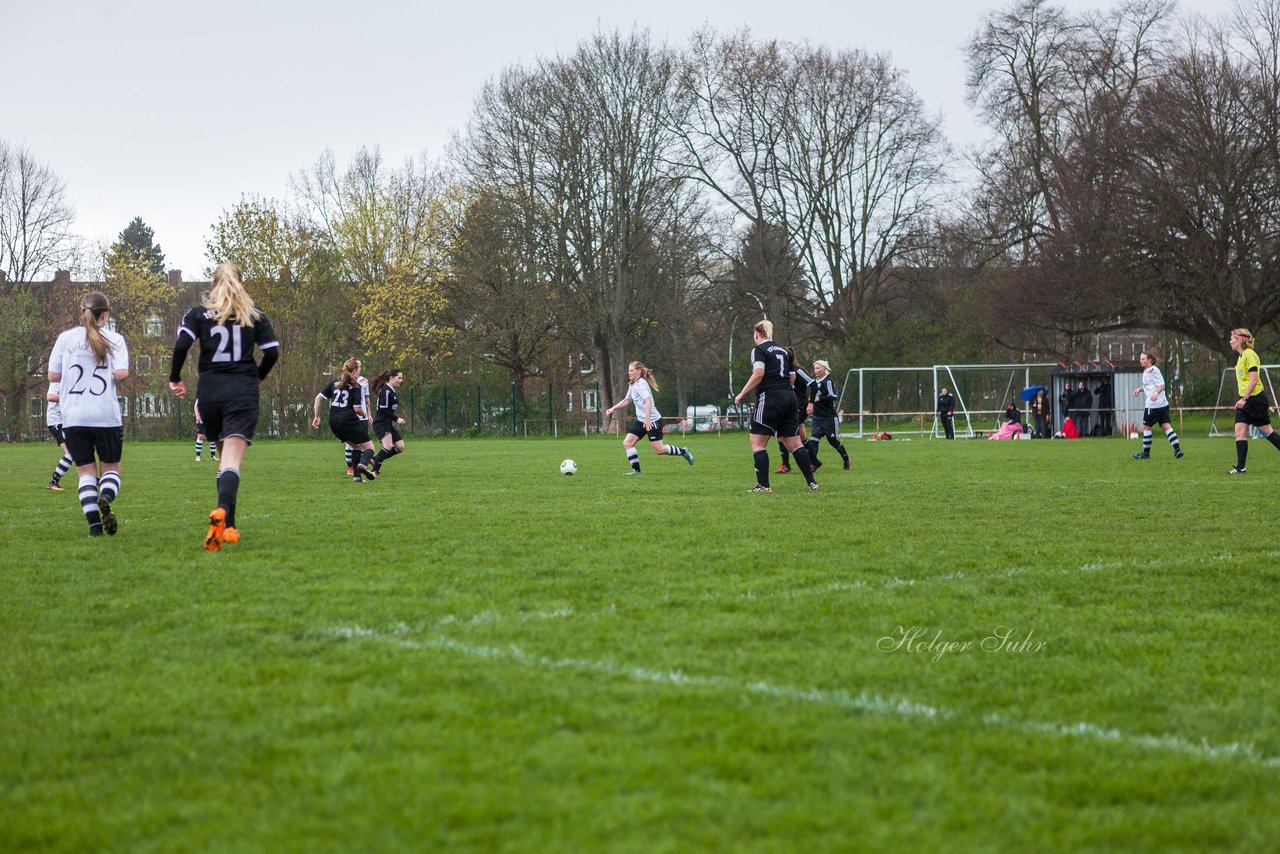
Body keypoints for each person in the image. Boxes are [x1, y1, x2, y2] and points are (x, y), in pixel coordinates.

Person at [170, 262, 280, 551]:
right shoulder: (253, 315)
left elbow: (181, 346)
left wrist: (174, 378)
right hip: (241, 391)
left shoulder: (197, 315)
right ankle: (222, 511)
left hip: (210, 393)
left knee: (222, 459)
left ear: (212, 284)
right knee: (231, 460)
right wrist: (257, 376)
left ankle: (229, 526)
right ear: (241, 284)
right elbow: (272, 352)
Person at [47, 292, 129, 537]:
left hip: (73, 416)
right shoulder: (115, 339)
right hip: (105, 414)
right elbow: (122, 373)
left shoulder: (65, 339)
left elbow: (53, 376)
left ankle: (94, 527)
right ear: (105, 314)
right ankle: (105, 496)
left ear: (82, 312)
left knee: (85, 472)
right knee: (111, 469)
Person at [733, 320, 818, 492]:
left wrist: (742, 393)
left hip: (770, 397)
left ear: (757, 333)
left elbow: (758, 373)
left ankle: (764, 486)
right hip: (790, 397)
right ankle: (812, 483)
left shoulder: (759, 350)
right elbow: (792, 378)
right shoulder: (784, 351)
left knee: (757, 443)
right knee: (795, 444)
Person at [603, 360, 694, 475]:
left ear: (639, 371)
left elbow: (648, 401)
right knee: (627, 443)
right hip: (641, 421)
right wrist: (613, 408)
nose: (628, 373)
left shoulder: (641, 384)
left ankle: (683, 452)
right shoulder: (632, 384)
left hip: (652, 421)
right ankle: (636, 471)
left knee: (659, 450)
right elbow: (627, 400)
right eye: (628, 370)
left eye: (631, 370)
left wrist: (647, 419)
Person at [314, 357, 378, 484]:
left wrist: (317, 416)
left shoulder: (334, 384)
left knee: (356, 446)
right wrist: (365, 414)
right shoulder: (356, 386)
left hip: (333, 421)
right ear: (354, 371)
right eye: (359, 369)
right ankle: (363, 466)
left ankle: (357, 477)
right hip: (348, 420)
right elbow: (357, 409)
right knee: (369, 448)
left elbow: (318, 399)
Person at [1226, 328, 1280, 473]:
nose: (1230, 341)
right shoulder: (1241, 356)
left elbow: (1254, 380)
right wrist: (1242, 399)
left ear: (1241, 340)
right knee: (1239, 432)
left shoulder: (1250, 355)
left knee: (1267, 432)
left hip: (1254, 399)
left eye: (1232, 338)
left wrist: (1244, 398)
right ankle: (1240, 467)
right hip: (1244, 400)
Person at [1131, 350, 1183, 461]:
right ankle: (1177, 450)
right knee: (1166, 426)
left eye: (1143, 359)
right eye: (1140, 359)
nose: (1141, 361)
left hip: (1153, 406)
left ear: (1149, 360)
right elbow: (1150, 386)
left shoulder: (1153, 370)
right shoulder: (1147, 371)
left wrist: (1155, 393)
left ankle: (1145, 453)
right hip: (1162, 404)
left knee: (1146, 427)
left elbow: (1161, 385)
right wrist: (1139, 389)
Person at [806, 359, 851, 469]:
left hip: (829, 417)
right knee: (813, 440)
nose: (815, 370)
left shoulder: (828, 381)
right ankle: (813, 464)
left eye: (818, 368)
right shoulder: (814, 382)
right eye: (815, 368)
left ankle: (846, 459)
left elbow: (833, 396)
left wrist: (819, 398)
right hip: (817, 417)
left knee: (832, 441)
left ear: (824, 369)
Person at [777, 351, 814, 472]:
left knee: (786, 434)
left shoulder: (798, 371)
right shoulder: (783, 372)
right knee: (798, 435)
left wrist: (811, 403)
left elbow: (813, 384)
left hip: (800, 407)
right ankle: (813, 461)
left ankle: (788, 464)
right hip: (789, 407)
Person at [369, 368, 407, 474]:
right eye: (399, 378)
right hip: (381, 423)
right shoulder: (386, 391)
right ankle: (374, 471)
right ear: (391, 378)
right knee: (388, 446)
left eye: (401, 378)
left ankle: (375, 459)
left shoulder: (391, 390)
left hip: (387, 423)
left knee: (400, 447)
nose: (401, 380)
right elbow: (383, 409)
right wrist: (397, 418)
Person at [44, 382, 74, 491]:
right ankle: (53, 482)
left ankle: (92, 478)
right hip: (56, 421)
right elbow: (50, 396)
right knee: (70, 453)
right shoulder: (58, 379)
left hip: (67, 421)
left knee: (81, 449)